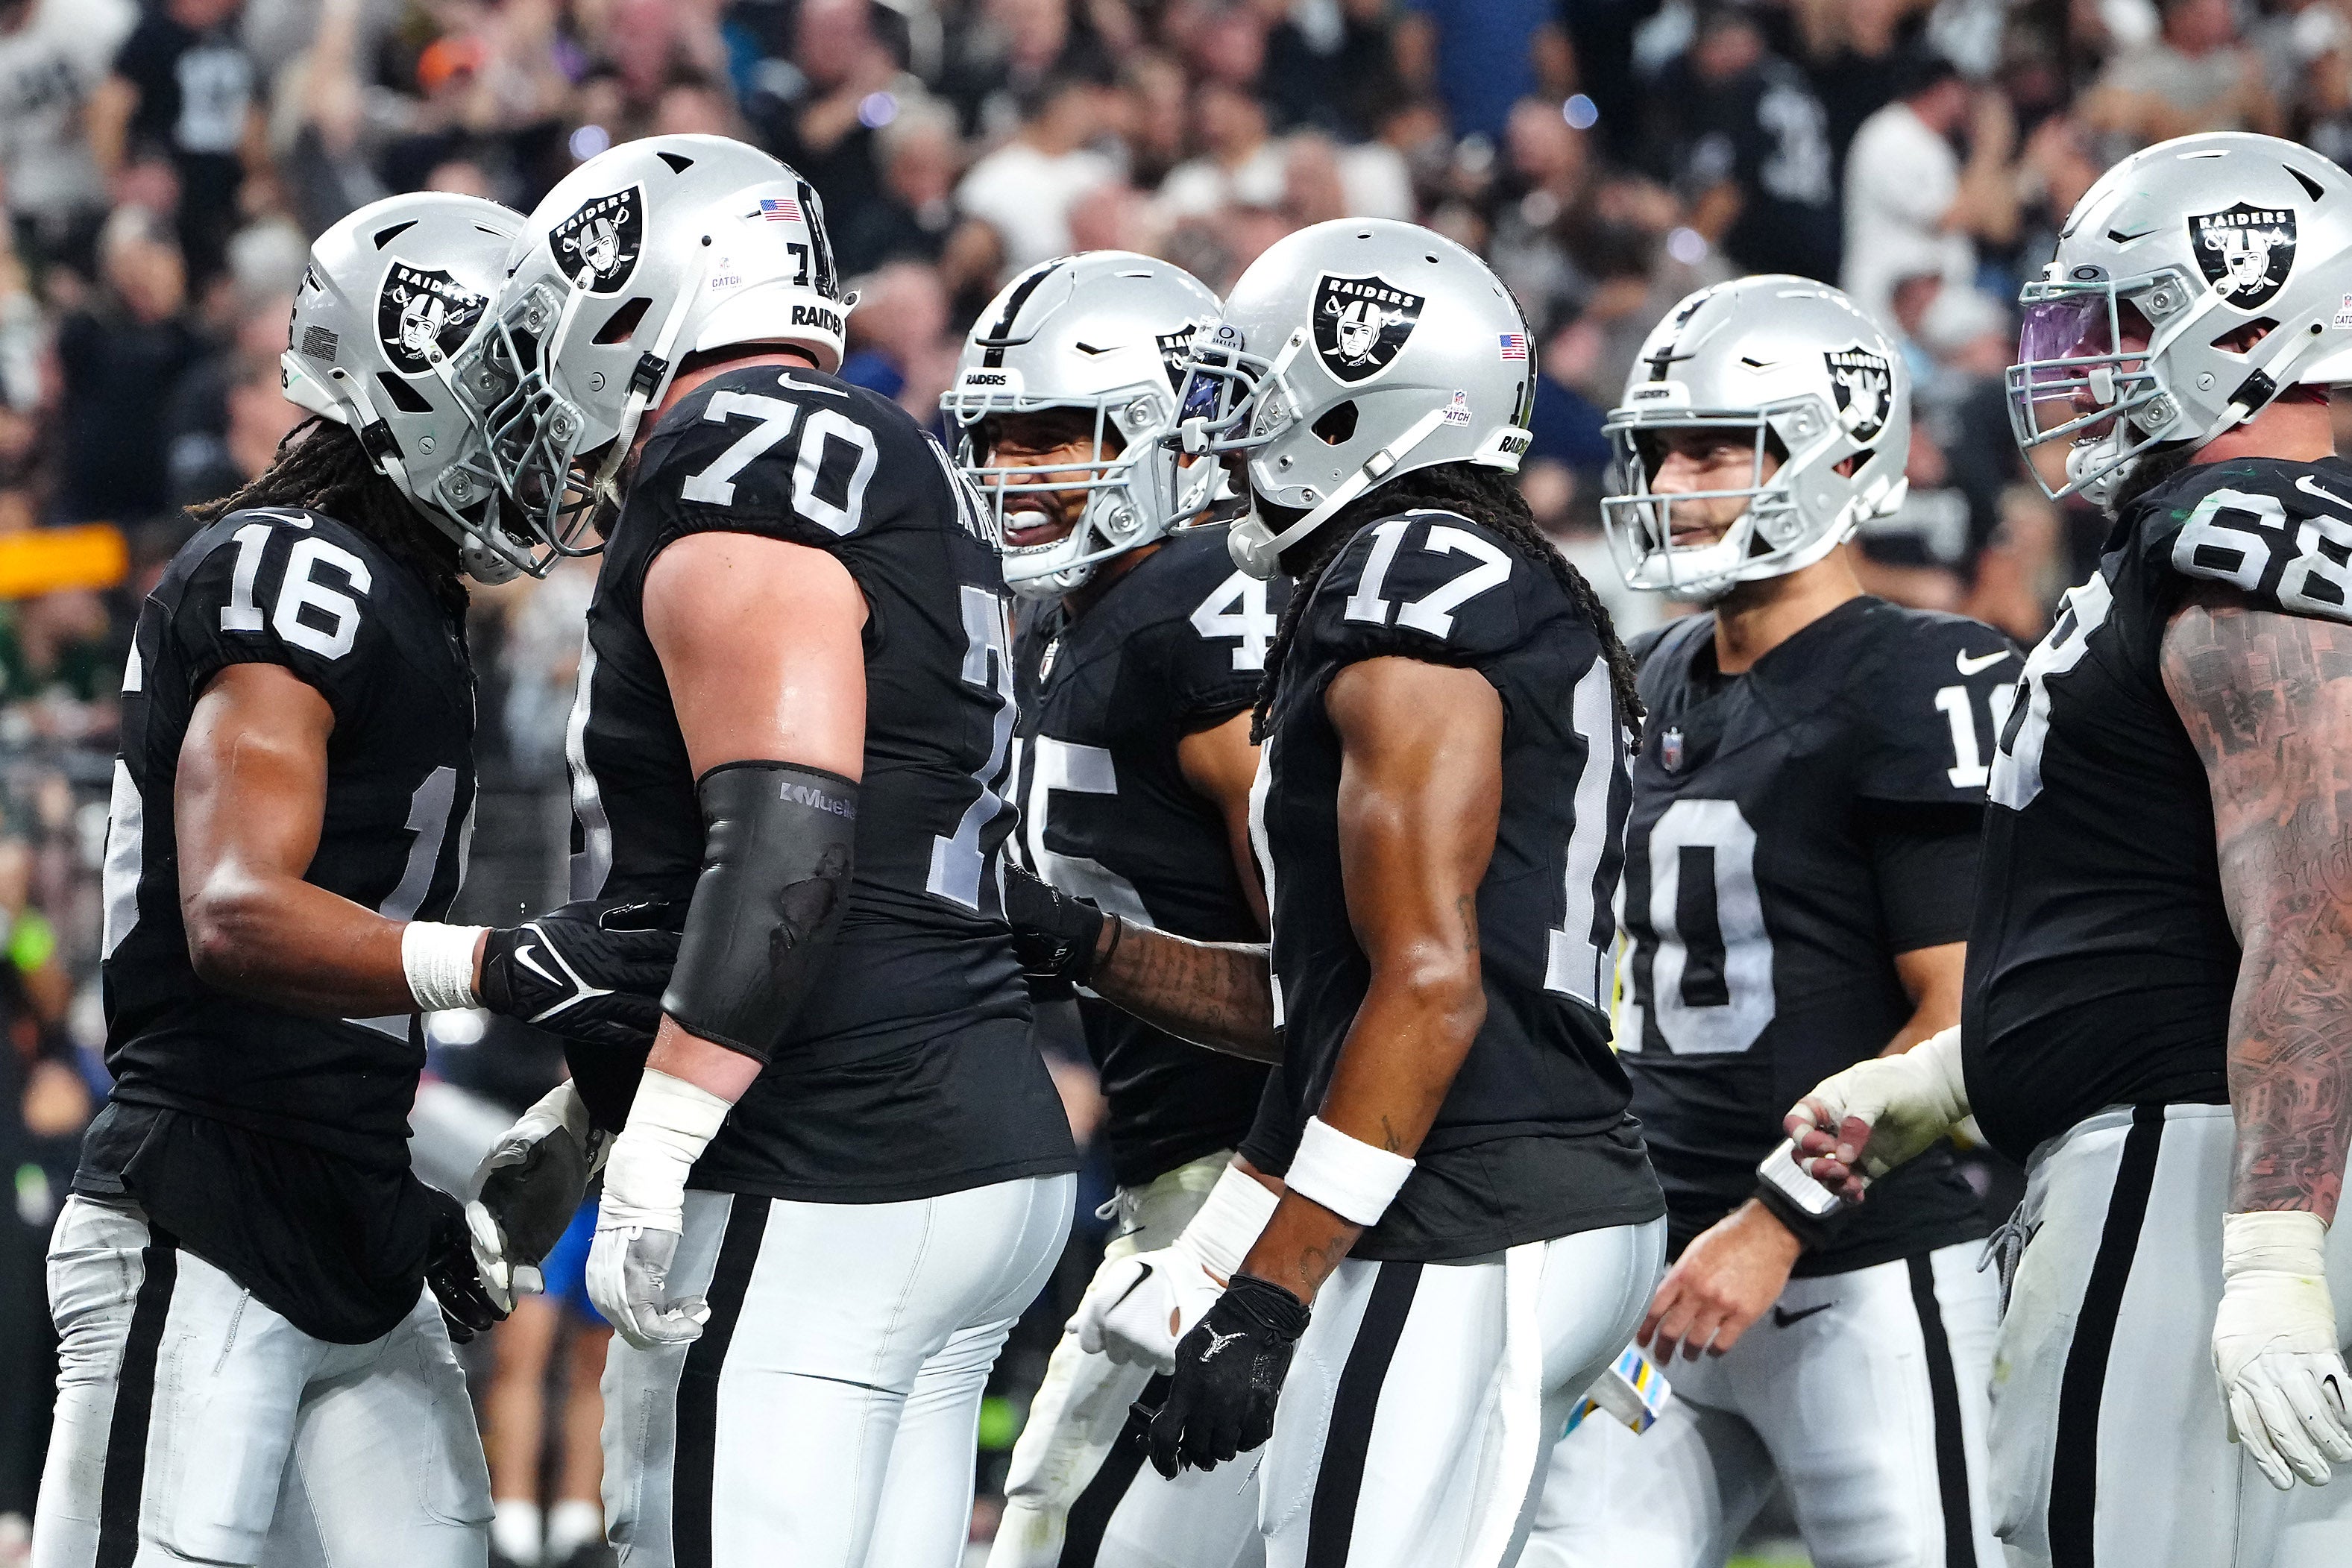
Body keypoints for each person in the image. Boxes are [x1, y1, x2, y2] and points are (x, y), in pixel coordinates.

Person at [453, 134, 1078, 1568]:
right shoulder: (891, 449)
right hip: (962, 1120)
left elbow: (791, 838)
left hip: (823, 1149)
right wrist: (595, 1113)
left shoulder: (731, 457)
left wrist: (663, 1138)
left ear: (646, 298)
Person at [31, 192, 679, 1568]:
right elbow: (236, 912)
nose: (555, 435)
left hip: (350, 1211)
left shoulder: (406, 589)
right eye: (521, 395)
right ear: (416, 377)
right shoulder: (293, 567)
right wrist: (496, 961)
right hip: (201, 1209)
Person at [1009, 217, 1665, 1567]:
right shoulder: (1412, 571)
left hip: (1469, 1205)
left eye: (1251, 395)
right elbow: (1329, 1000)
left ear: (1359, 406)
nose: (1220, 437)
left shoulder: (1403, 578)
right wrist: (1085, 944)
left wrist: (1271, 1289)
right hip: (1446, 1182)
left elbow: (1427, 989)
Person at [1790, 132, 2352, 1561]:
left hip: (2193, 1168)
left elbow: (2315, 896)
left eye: (2123, 323)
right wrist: (1955, 1073)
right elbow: (2150, 892)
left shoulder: (2243, 528)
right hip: (2201, 1148)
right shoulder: (2194, 536)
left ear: (2248, 331)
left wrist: (2273, 1243)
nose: (2084, 364)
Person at [1530, 276, 2009, 1567]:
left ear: (1838, 455)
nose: (1671, 483)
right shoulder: (1656, 667)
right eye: (1658, 452)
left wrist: (1778, 1216)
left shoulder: (1915, 672)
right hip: (1665, 1284)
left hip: (1856, 1271)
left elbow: (1961, 1017)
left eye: (1711, 451)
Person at [943, 251, 1282, 1568]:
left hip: (1261, 1181)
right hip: (1170, 1178)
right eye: (995, 437)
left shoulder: (1203, 606)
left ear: (1180, 433)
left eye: (1055, 434)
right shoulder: (1064, 626)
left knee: (1064, 1530)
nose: (1012, 470)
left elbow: (1321, 971)